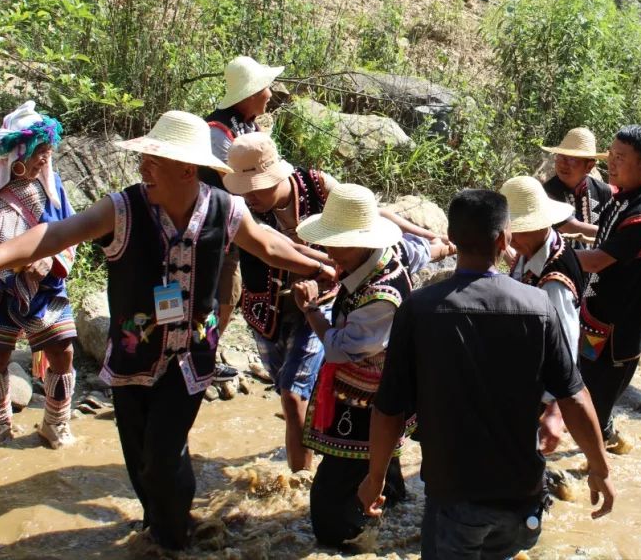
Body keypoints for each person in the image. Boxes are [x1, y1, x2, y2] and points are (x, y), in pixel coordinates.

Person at [0, 111, 335, 550]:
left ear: (187, 169)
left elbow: (269, 245)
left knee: (164, 458)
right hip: (131, 360)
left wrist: (322, 265)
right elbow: (50, 236)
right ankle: (158, 524)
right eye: (144, 159)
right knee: (140, 460)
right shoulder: (121, 209)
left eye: (154, 161)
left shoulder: (225, 209)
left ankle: (176, 537)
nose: (142, 169)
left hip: (189, 361)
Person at [357, 190, 615, 559]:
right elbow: (574, 396)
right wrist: (600, 468)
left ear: (453, 236)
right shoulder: (537, 304)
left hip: (453, 495)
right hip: (520, 496)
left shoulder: (419, 309)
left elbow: (389, 409)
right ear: (503, 239)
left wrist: (376, 476)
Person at [291, 183, 450, 549]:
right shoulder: (385, 256)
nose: (329, 253)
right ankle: (387, 506)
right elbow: (426, 249)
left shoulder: (381, 296)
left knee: (331, 501)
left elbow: (339, 350)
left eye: (337, 244)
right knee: (381, 467)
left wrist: (312, 311)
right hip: (382, 388)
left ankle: (353, 536)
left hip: (368, 399)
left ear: (363, 241)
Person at [222, 132, 333, 472]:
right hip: (264, 311)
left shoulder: (319, 186)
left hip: (318, 305)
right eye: (244, 189)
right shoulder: (240, 206)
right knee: (292, 396)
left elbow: (362, 223)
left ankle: (300, 483)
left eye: (256, 187)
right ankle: (314, 454)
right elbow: (271, 248)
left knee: (293, 393)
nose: (250, 196)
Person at [0, 103, 77, 448]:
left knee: (62, 351)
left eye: (48, 153)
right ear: (16, 155)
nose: (44, 160)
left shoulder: (53, 191)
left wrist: (51, 259)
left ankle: (56, 422)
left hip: (44, 288)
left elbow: (71, 234)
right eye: (40, 152)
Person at [574, 125, 641, 449]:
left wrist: (552, 253)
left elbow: (598, 261)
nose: (611, 164)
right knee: (579, 388)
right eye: (611, 155)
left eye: (620, 158)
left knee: (593, 407)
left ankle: (597, 468)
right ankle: (608, 439)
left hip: (617, 334)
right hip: (595, 316)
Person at [204, 56, 283, 373]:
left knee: (229, 294)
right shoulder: (218, 132)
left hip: (235, 229)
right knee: (212, 296)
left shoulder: (246, 126)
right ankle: (196, 358)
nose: (270, 94)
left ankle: (204, 356)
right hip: (213, 231)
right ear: (251, 94)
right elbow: (225, 182)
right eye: (266, 88)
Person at [501, 175, 583, 453]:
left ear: (540, 225)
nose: (512, 240)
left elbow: (566, 349)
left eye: (518, 231)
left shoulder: (554, 281)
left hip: (541, 388)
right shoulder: (533, 250)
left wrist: (556, 411)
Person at [540, 127, 614, 243]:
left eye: (571, 159)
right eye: (561, 156)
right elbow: (572, 227)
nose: (563, 163)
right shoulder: (546, 193)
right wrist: (618, 234)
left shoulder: (603, 191)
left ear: (589, 166)